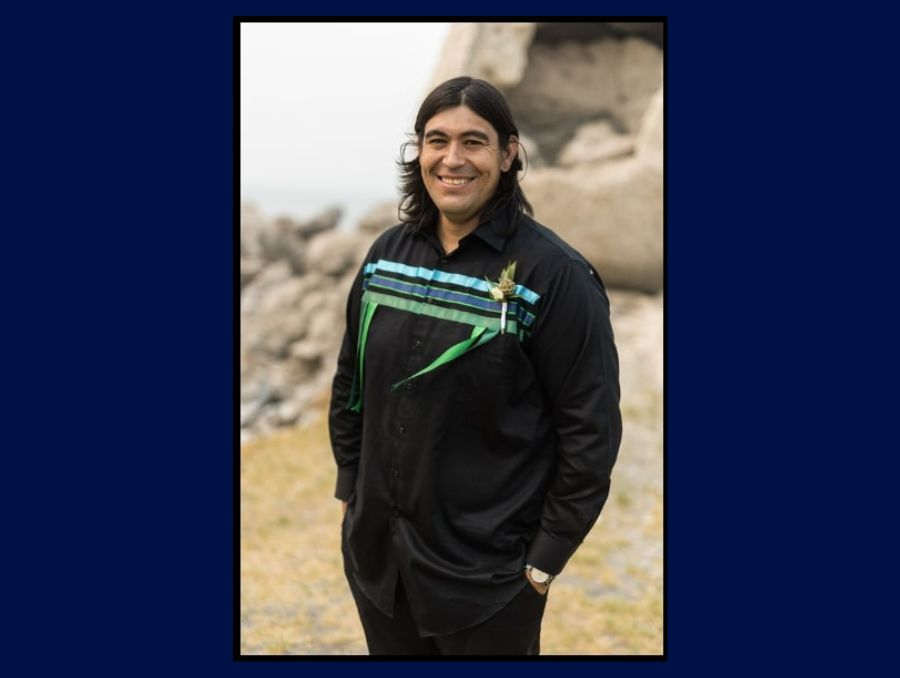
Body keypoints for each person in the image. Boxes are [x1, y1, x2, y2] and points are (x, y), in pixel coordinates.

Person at [329, 76, 622, 655]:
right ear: (420, 152)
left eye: (474, 142)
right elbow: (352, 383)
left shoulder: (554, 276)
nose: (452, 159)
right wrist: (351, 492)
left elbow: (589, 433)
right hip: (379, 563)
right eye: (437, 141)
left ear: (509, 153)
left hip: (490, 582)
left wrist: (543, 561)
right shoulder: (387, 255)